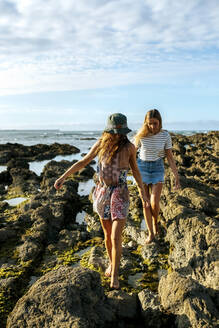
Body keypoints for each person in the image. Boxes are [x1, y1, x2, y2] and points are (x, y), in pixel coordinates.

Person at [54, 113, 149, 289]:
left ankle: (115, 275)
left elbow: (135, 171)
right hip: (102, 193)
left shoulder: (129, 147)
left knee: (115, 236)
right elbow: (83, 161)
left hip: (120, 194)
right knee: (106, 235)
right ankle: (112, 262)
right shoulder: (101, 144)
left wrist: (143, 192)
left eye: (120, 132)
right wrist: (63, 177)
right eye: (114, 132)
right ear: (108, 130)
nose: (117, 135)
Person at [134, 109, 180, 244]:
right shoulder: (140, 135)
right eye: (150, 124)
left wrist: (176, 177)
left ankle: (155, 221)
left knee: (154, 203)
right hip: (142, 168)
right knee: (145, 204)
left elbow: (170, 157)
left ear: (160, 122)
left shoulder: (165, 135)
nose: (153, 126)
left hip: (158, 168)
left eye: (155, 123)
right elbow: (131, 154)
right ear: (145, 123)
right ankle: (151, 233)